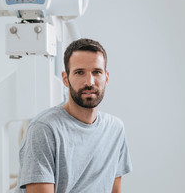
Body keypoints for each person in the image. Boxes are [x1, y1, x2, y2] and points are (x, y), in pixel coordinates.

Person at [15, 38, 132, 193]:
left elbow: (114, 190)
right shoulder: (44, 129)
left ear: (106, 77)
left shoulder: (115, 129)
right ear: (65, 79)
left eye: (96, 72)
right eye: (79, 72)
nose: (89, 82)